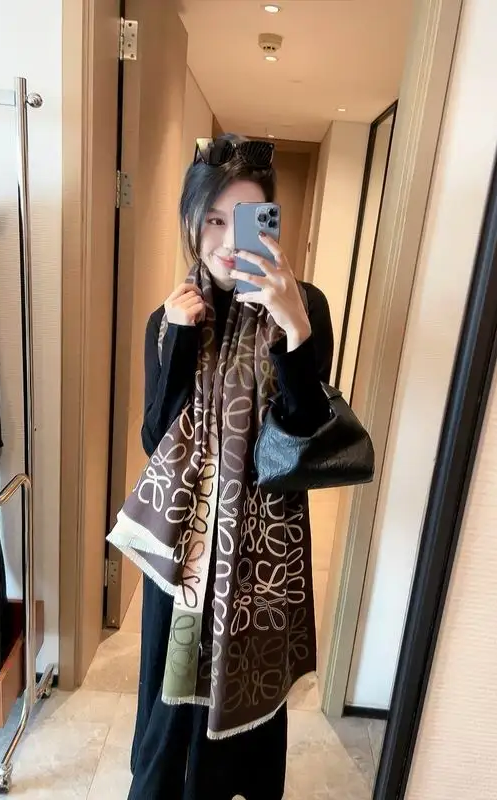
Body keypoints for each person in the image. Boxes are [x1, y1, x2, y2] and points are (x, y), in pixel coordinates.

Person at [122, 134, 334, 800]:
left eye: (242, 221)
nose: (225, 242)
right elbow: (155, 438)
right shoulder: (168, 319)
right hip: (186, 549)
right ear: (191, 221)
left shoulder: (305, 305)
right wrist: (183, 339)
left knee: (245, 701)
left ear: (268, 224)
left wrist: (294, 329)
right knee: (172, 699)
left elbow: (304, 433)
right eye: (212, 220)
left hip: (260, 551)